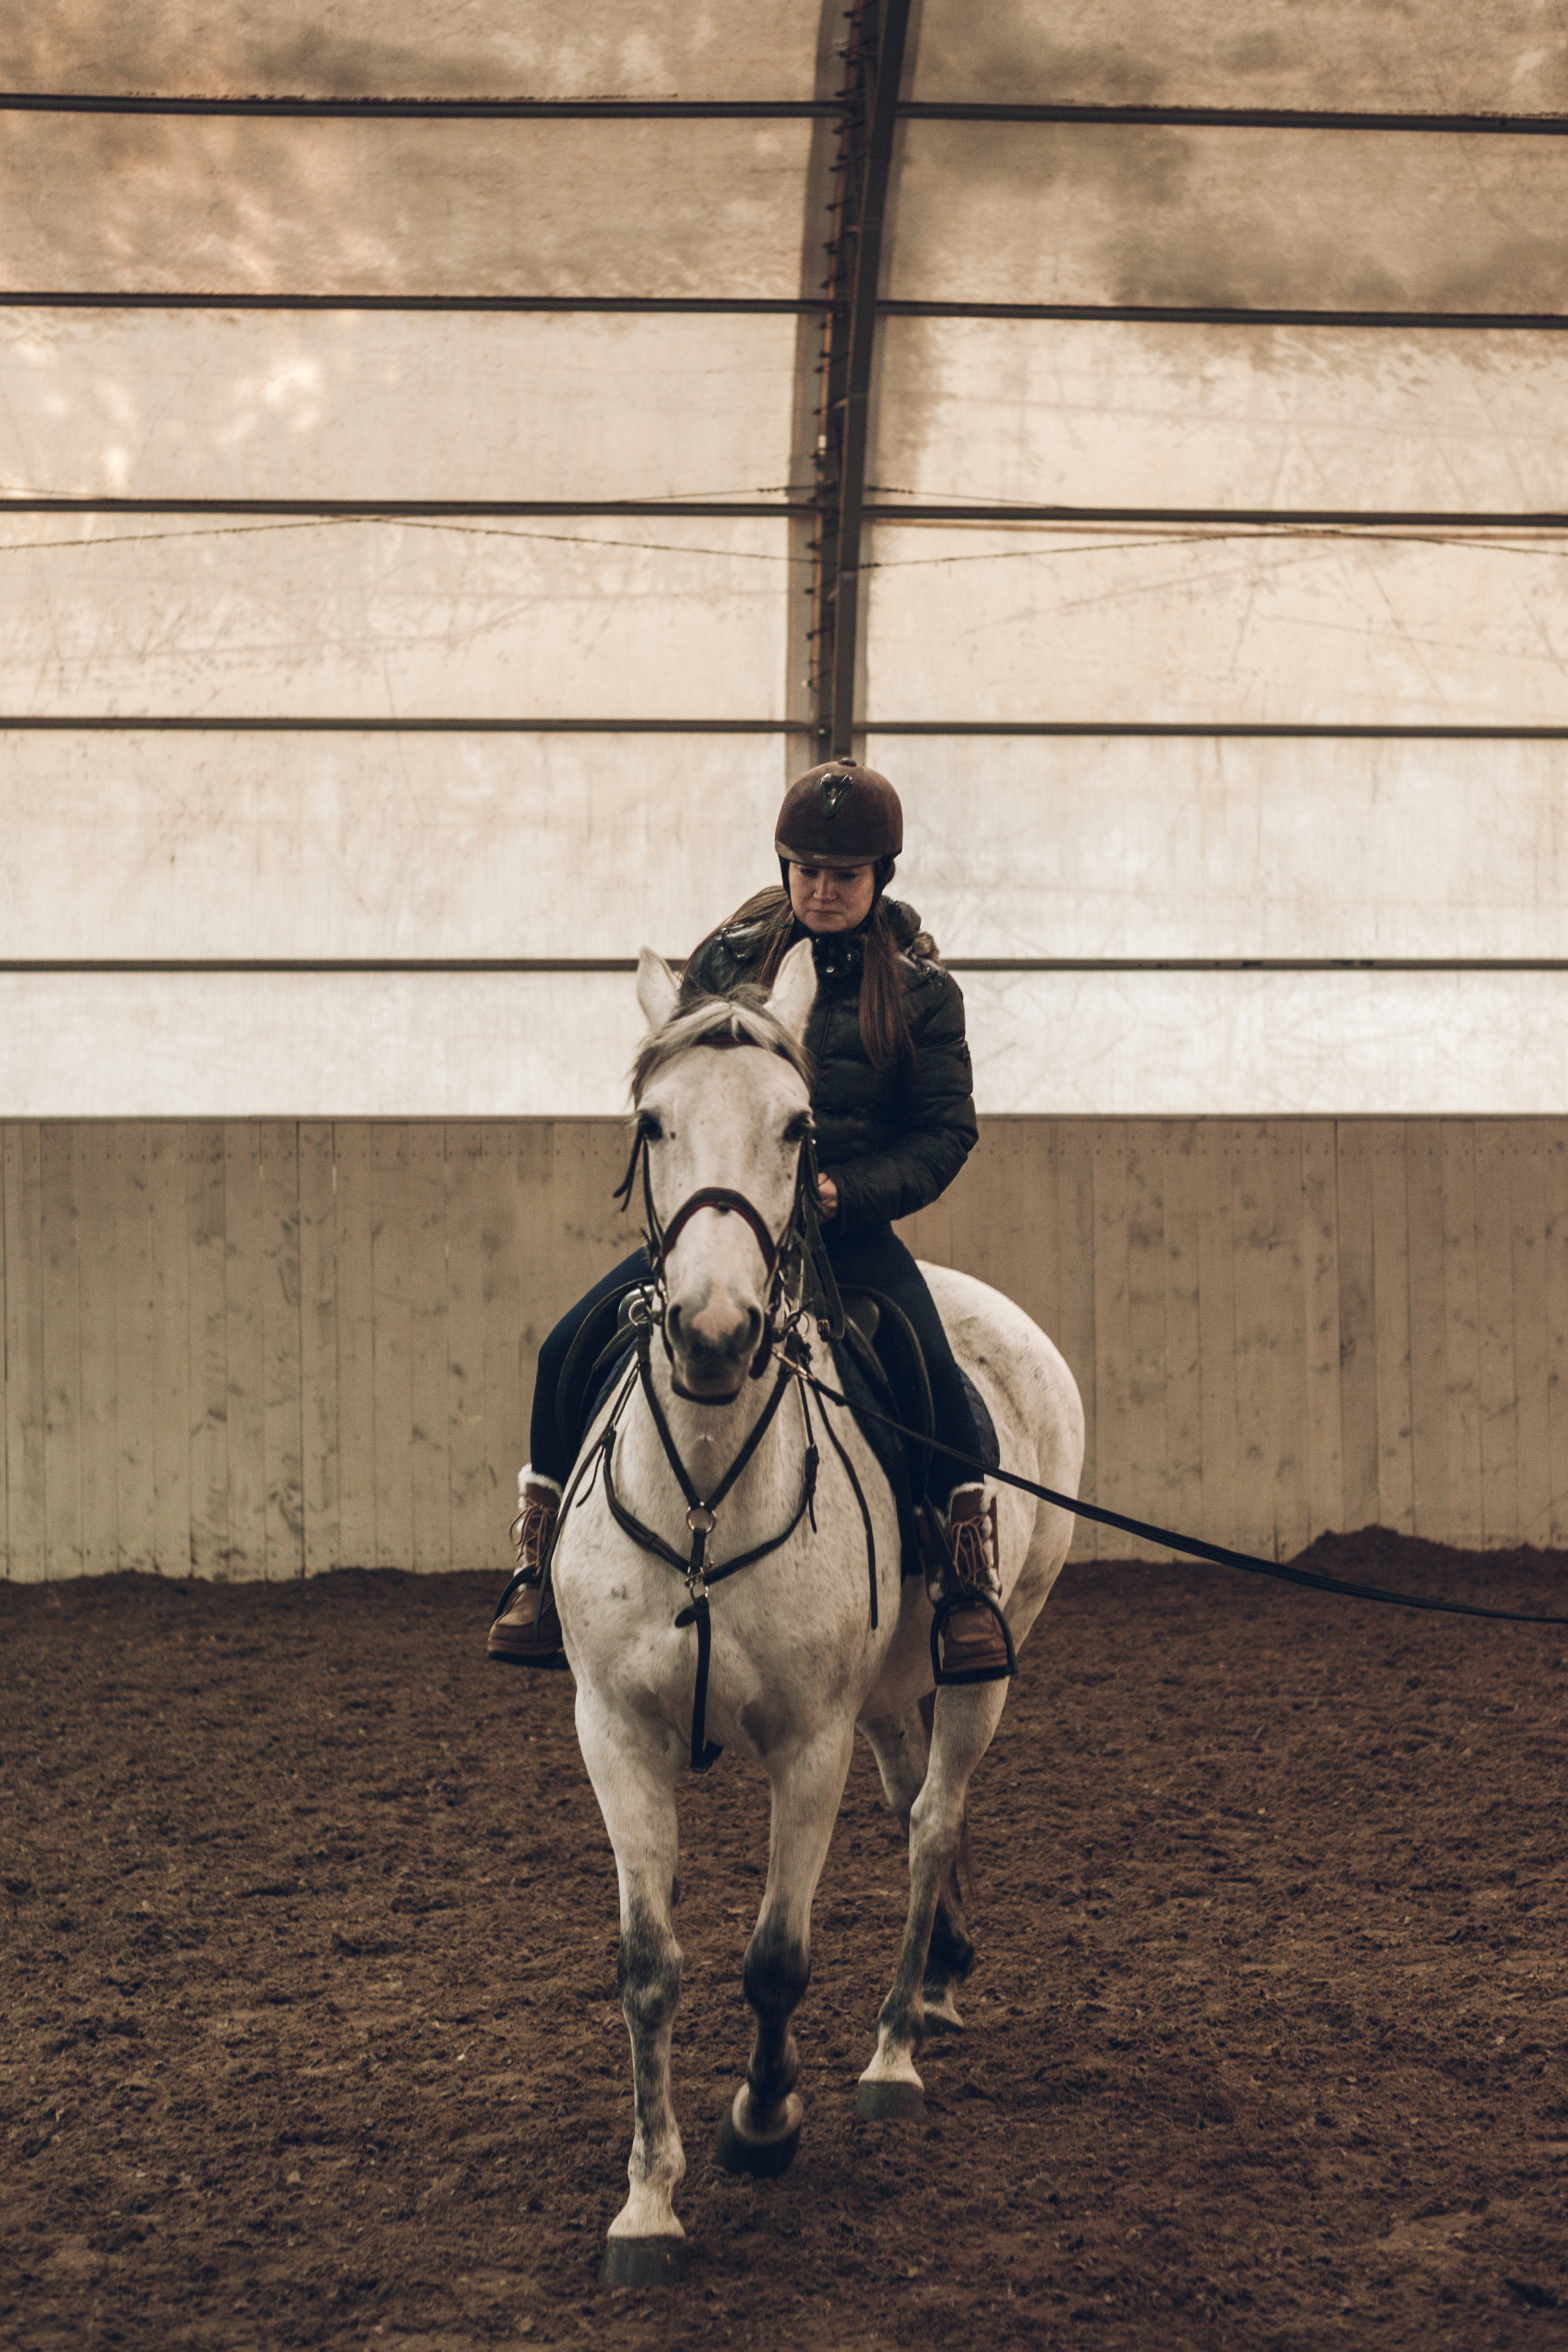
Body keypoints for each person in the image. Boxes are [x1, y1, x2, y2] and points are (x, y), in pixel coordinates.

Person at [488, 760, 1011, 1680]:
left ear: (879, 877)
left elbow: (944, 1132)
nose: (821, 891)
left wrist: (848, 1193)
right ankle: (536, 1560)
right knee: (564, 1347)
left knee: (928, 1372)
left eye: (843, 876)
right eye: (805, 871)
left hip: (844, 1235)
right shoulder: (727, 963)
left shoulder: (926, 995)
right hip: (726, 1227)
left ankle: (965, 1584)